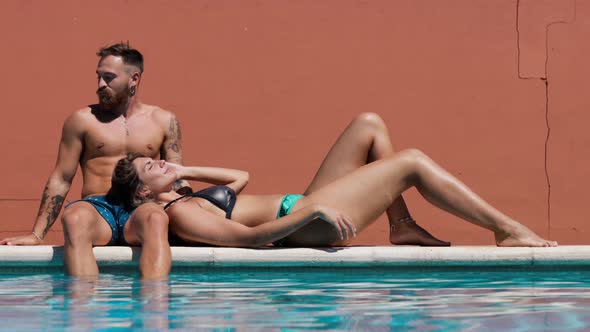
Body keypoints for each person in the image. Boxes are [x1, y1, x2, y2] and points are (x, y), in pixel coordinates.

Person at [109, 113, 557, 248]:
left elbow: (240, 177)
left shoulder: (184, 190)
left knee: (370, 124)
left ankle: (401, 226)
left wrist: (182, 170)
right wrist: (311, 212)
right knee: (413, 163)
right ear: (144, 193)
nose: (162, 162)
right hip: (307, 222)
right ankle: (507, 229)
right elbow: (249, 240)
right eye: (152, 167)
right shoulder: (182, 215)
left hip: (304, 204)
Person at [0, 42, 191, 279]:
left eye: (109, 78)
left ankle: (154, 308)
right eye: (99, 77)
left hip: (140, 208)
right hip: (98, 209)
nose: (101, 85)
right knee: (75, 217)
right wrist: (37, 234)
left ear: (134, 79)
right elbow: (62, 177)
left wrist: (194, 215)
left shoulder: (164, 120)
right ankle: (84, 309)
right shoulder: (82, 120)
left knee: (156, 217)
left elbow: (176, 177)